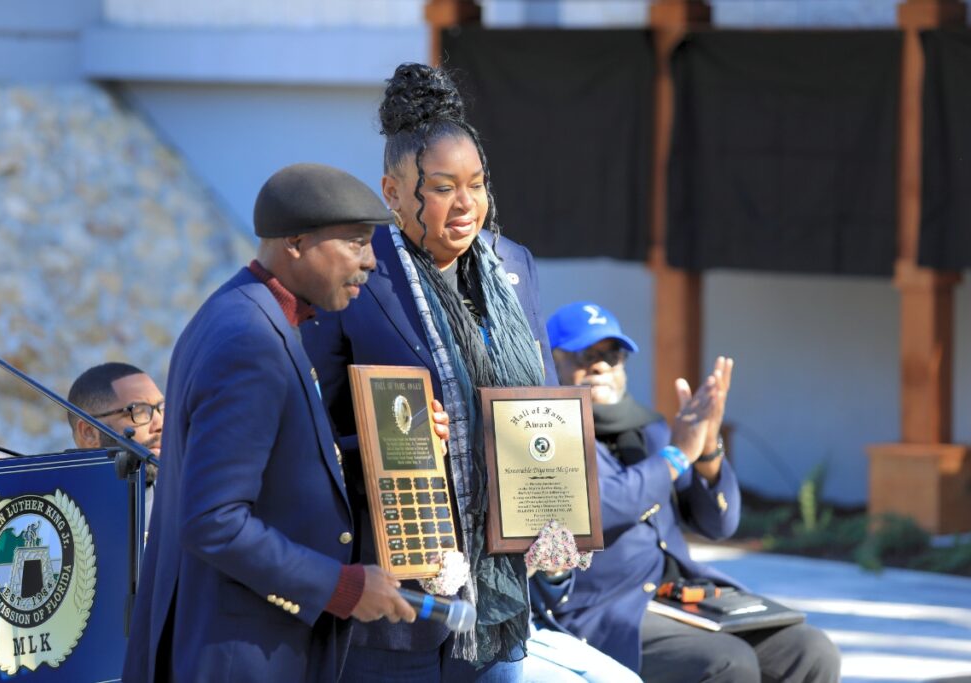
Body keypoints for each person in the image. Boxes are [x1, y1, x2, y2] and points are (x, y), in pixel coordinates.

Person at [301, 63, 715, 681]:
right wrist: (391, 444)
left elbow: (539, 404)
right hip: (398, 585)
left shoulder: (511, 262)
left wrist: (558, 525)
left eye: (477, 183)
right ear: (393, 192)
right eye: (441, 187)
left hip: (498, 593)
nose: (466, 204)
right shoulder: (357, 272)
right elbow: (309, 430)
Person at [121, 163, 427, 683]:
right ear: (296, 241)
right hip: (239, 657)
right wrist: (341, 586)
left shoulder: (246, 311)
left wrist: (389, 443)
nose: (371, 261)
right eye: (355, 243)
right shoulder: (249, 339)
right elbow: (213, 520)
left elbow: (279, 456)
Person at [533, 301, 841, 683]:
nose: (600, 366)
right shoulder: (543, 436)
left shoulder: (652, 431)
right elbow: (599, 507)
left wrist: (708, 450)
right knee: (728, 661)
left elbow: (719, 524)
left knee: (811, 650)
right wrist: (678, 455)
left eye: (612, 355)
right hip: (604, 610)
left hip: (676, 595)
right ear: (549, 360)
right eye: (584, 354)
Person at [67, 362, 163, 527]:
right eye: (139, 411)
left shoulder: (190, 501)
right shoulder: (57, 516)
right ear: (89, 433)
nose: (160, 423)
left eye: (162, 408)